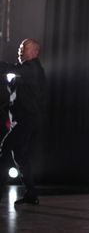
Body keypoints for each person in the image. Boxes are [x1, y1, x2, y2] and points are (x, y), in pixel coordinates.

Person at [0, 38, 46, 205]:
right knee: (20, 157)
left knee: (5, 149)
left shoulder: (32, 68)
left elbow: (9, 68)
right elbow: (16, 97)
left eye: (24, 48)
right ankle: (31, 194)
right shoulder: (26, 70)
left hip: (28, 120)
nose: (20, 51)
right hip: (25, 120)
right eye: (20, 48)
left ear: (34, 52)